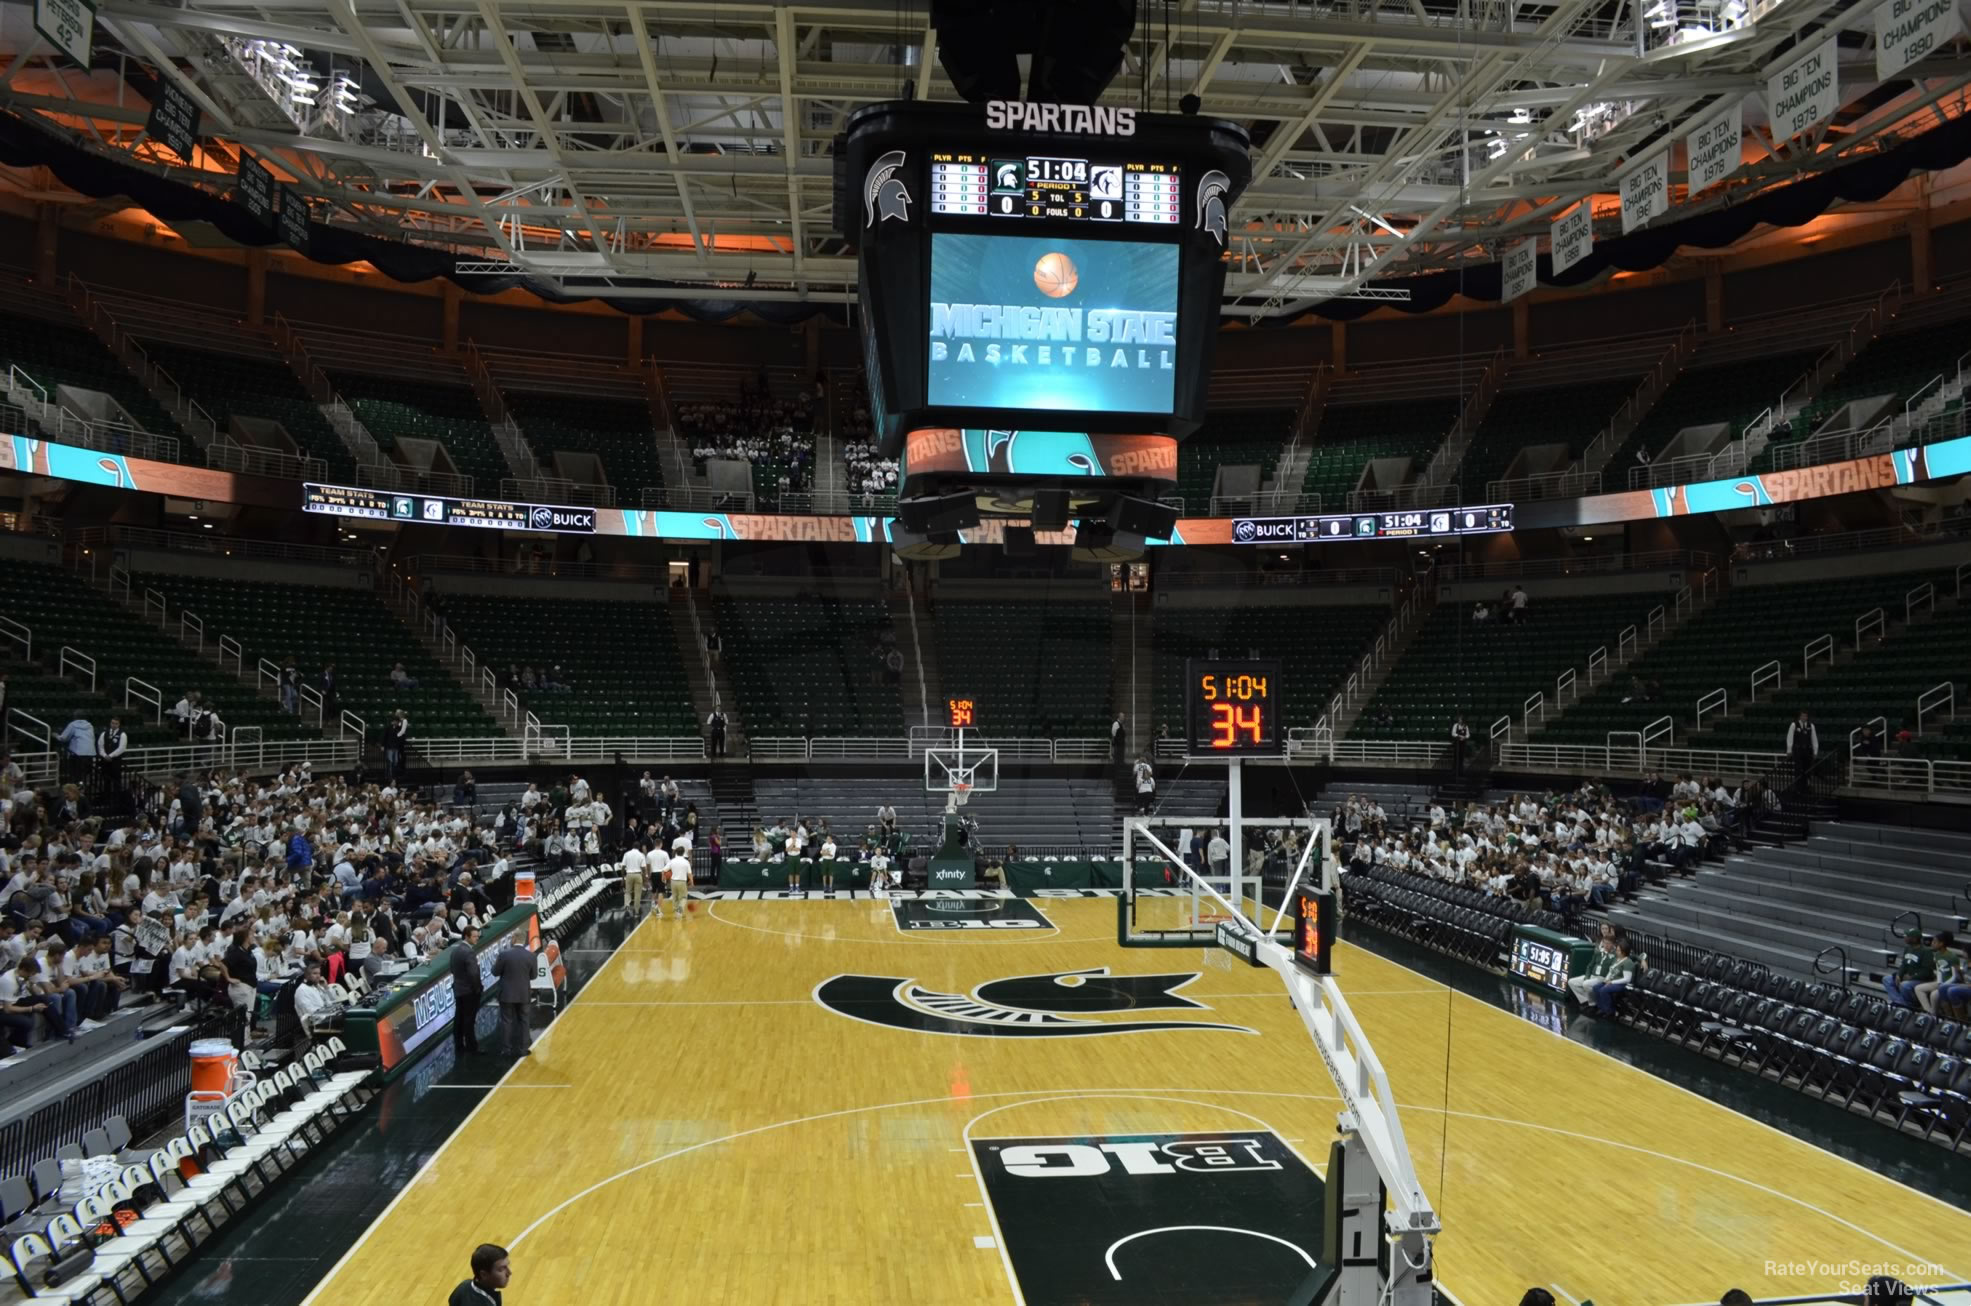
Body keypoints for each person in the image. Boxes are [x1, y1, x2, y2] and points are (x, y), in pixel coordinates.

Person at [493, 937, 533, 1057]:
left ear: (514, 939)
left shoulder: (503, 954)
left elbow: (495, 972)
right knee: (524, 1021)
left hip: (507, 994)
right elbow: (534, 975)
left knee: (506, 1021)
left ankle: (506, 1049)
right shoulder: (531, 955)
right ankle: (524, 1049)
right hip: (523, 994)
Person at [448, 925, 483, 1055]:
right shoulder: (469, 952)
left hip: (458, 989)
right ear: (466, 936)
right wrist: (477, 988)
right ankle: (472, 1047)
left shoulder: (455, 951)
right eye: (474, 937)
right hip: (469, 991)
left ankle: (459, 1046)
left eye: (477, 937)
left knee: (459, 1018)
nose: (476, 939)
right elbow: (473, 974)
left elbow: (452, 969)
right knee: (469, 1020)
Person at [1884, 928, 1932, 1008]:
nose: (1904, 937)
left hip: (1921, 979)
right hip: (1907, 976)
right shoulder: (1907, 948)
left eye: (1907, 936)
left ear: (1915, 939)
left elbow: (1926, 971)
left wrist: (1912, 977)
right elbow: (1904, 964)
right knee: (1887, 979)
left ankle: (1910, 1005)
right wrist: (1899, 975)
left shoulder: (1926, 951)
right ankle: (1900, 1003)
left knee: (1904, 985)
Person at [56, 709, 96, 785]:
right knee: (84, 774)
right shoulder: (90, 726)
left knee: (76, 775)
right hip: (90, 753)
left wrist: (56, 736)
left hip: (78, 754)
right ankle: (83, 787)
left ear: (75, 716)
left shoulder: (73, 724)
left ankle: (78, 789)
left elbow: (64, 738)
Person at [1785, 710, 1819, 788]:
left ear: (1807, 717)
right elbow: (1789, 738)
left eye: (1805, 716)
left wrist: (1815, 751)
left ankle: (1807, 784)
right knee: (1798, 768)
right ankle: (1798, 785)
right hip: (1798, 750)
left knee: (1807, 768)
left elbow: (1814, 739)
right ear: (1800, 716)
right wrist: (1789, 750)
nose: (1804, 717)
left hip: (1807, 750)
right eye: (1803, 716)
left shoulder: (1811, 725)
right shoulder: (1794, 725)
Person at [97, 716, 127, 791]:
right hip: (105, 760)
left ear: (119, 724)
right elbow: (100, 746)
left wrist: (110, 756)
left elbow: (121, 748)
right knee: (106, 780)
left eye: (116, 724)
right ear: (110, 723)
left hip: (116, 761)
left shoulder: (123, 734)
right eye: (112, 723)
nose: (114, 725)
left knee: (116, 781)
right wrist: (104, 755)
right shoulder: (104, 733)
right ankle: (106, 797)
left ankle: (116, 799)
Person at [621, 839, 648, 914]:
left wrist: (622, 878)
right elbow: (643, 868)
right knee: (637, 893)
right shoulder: (641, 855)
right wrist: (645, 879)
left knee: (627, 891)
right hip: (638, 874)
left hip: (629, 874)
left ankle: (627, 905)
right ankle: (636, 909)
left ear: (632, 846)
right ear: (639, 847)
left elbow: (623, 867)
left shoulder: (627, 854)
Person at [667, 844, 693, 918]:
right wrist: (692, 881)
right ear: (684, 852)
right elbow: (689, 873)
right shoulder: (686, 862)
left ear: (676, 852)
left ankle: (676, 912)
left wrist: (665, 878)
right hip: (682, 881)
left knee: (675, 897)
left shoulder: (672, 861)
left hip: (673, 881)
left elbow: (664, 870)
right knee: (684, 897)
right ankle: (680, 909)